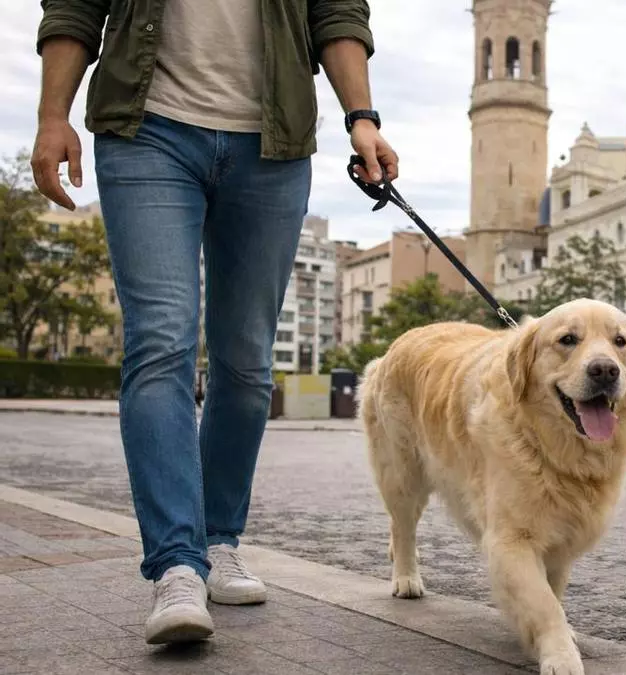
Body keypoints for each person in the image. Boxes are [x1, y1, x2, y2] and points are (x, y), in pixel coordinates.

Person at [32, 0, 397, 645]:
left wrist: (361, 117)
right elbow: (75, 6)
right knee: (161, 342)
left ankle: (217, 539)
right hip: (146, 130)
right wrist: (51, 115)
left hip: (274, 145)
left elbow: (337, 12)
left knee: (247, 363)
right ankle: (176, 564)